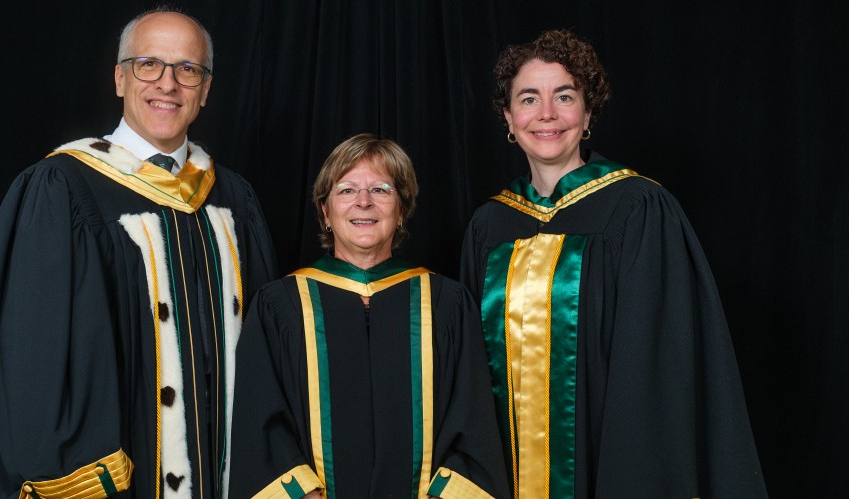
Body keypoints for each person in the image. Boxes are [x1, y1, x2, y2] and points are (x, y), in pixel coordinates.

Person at [0, 8, 276, 499]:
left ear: (205, 90)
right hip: (121, 480)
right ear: (119, 78)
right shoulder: (64, 189)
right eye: (149, 64)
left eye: (187, 69)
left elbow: (268, 355)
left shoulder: (234, 200)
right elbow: (32, 362)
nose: (167, 84)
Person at [460, 30, 768, 498]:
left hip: (611, 467)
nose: (546, 113)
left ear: (587, 114)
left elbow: (655, 369)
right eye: (529, 98)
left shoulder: (637, 209)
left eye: (565, 96)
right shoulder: (489, 225)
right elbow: (469, 372)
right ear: (508, 117)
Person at [229, 134, 509, 498]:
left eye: (380, 190)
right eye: (347, 190)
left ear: (402, 209)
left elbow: (474, 422)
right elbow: (259, 421)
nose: (364, 202)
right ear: (325, 212)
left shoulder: (447, 304)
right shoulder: (280, 305)